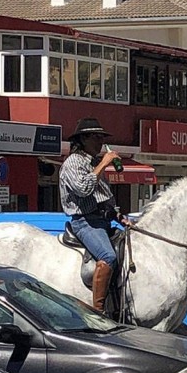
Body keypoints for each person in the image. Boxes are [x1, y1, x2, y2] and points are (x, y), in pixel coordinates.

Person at [59, 117, 128, 313]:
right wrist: (104, 164)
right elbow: (84, 188)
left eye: (102, 137)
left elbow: (103, 196)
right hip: (84, 222)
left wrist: (118, 216)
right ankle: (98, 310)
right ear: (83, 139)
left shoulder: (94, 163)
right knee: (108, 255)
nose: (101, 142)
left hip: (103, 220)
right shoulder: (73, 162)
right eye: (96, 137)